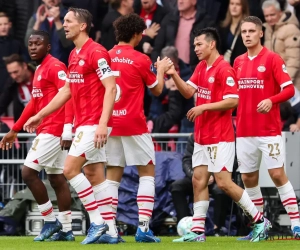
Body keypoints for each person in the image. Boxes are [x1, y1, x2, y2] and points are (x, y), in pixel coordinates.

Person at [157, 27, 271, 243]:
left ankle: (259, 220)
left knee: (224, 183)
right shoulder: (202, 67)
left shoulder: (224, 69)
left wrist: (204, 107)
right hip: (201, 136)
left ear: (211, 44)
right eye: (194, 45)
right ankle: (198, 232)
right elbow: (189, 92)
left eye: (199, 44)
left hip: (220, 137)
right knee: (198, 180)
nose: (195, 48)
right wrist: (173, 75)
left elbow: (233, 100)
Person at [23, 8, 117, 245]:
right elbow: (66, 91)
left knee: (70, 170)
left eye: (68, 21)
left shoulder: (97, 52)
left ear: (82, 26)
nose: (64, 25)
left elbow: (111, 88)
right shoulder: (75, 55)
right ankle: (112, 232)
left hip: (95, 123)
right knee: (95, 175)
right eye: (64, 21)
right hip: (84, 123)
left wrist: (103, 124)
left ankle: (97, 222)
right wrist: (40, 115)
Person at [98, 13, 171, 244]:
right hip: (134, 124)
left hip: (109, 124)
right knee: (147, 174)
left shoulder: (104, 57)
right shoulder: (140, 59)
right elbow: (157, 90)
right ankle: (143, 229)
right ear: (138, 35)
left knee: (112, 178)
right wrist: (160, 69)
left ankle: (110, 230)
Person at [0, 30, 74, 242]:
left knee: (28, 172)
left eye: (38, 43)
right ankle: (67, 230)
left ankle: (50, 220)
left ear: (48, 47)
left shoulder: (56, 66)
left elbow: (69, 95)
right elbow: (34, 103)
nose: (33, 47)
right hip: (49, 128)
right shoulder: (39, 69)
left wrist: (67, 127)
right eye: (30, 43)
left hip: (54, 129)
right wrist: (15, 129)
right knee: (57, 179)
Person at [233, 15, 300, 240]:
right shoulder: (238, 61)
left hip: (268, 130)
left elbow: (289, 90)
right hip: (243, 131)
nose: (248, 35)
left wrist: (272, 100)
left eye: (252, 31)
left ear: (261, 33)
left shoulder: (272, 58)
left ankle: (297, 225)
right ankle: (259, 227)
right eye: (244, 32)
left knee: (277, 174)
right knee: (249, 179)